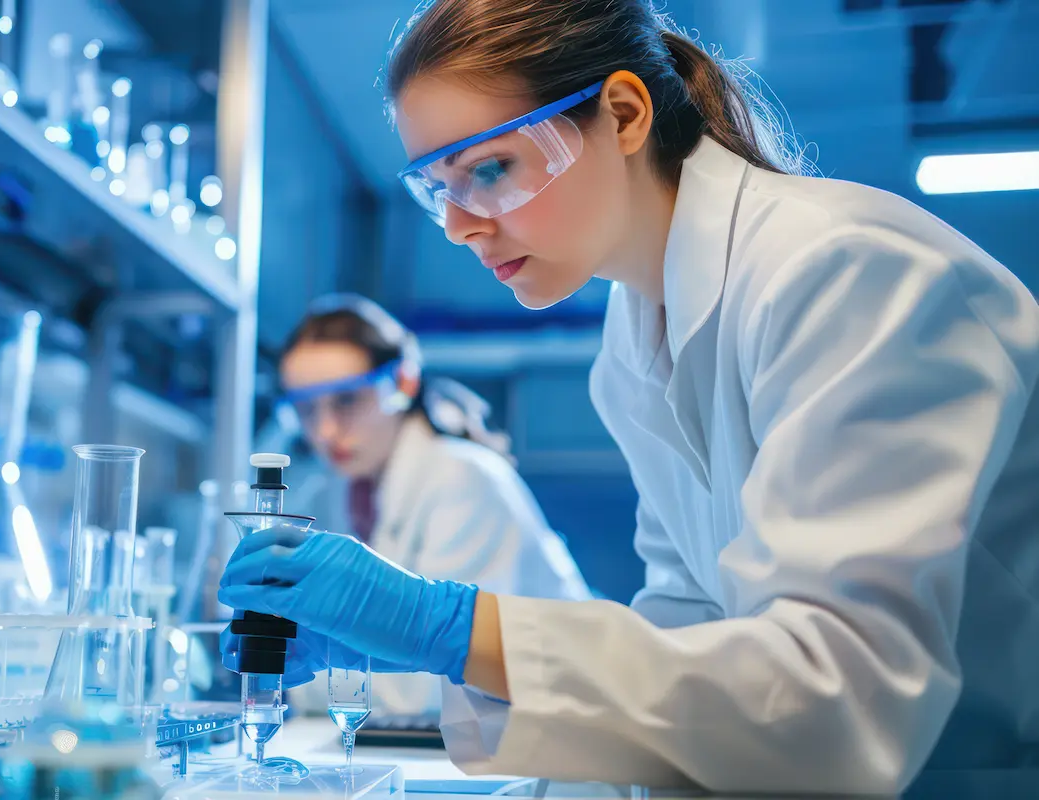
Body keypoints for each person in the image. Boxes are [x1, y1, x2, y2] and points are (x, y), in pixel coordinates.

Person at [220, 0, 1039, 794]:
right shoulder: (634, 341)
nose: (459, 226)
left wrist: (450, 628)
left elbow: (838, 703)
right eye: (437, 189)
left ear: (620, 114)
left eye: (489, 169)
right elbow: (686, 641)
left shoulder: (843, 271)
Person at [272, 293, 591, 714]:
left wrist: (278, 680)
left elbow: (428, 687)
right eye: (307, 409)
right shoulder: (334, 492)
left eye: (347, 400)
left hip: (564, 725)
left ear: (403, 382)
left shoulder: (464, 478)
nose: (326, 431)